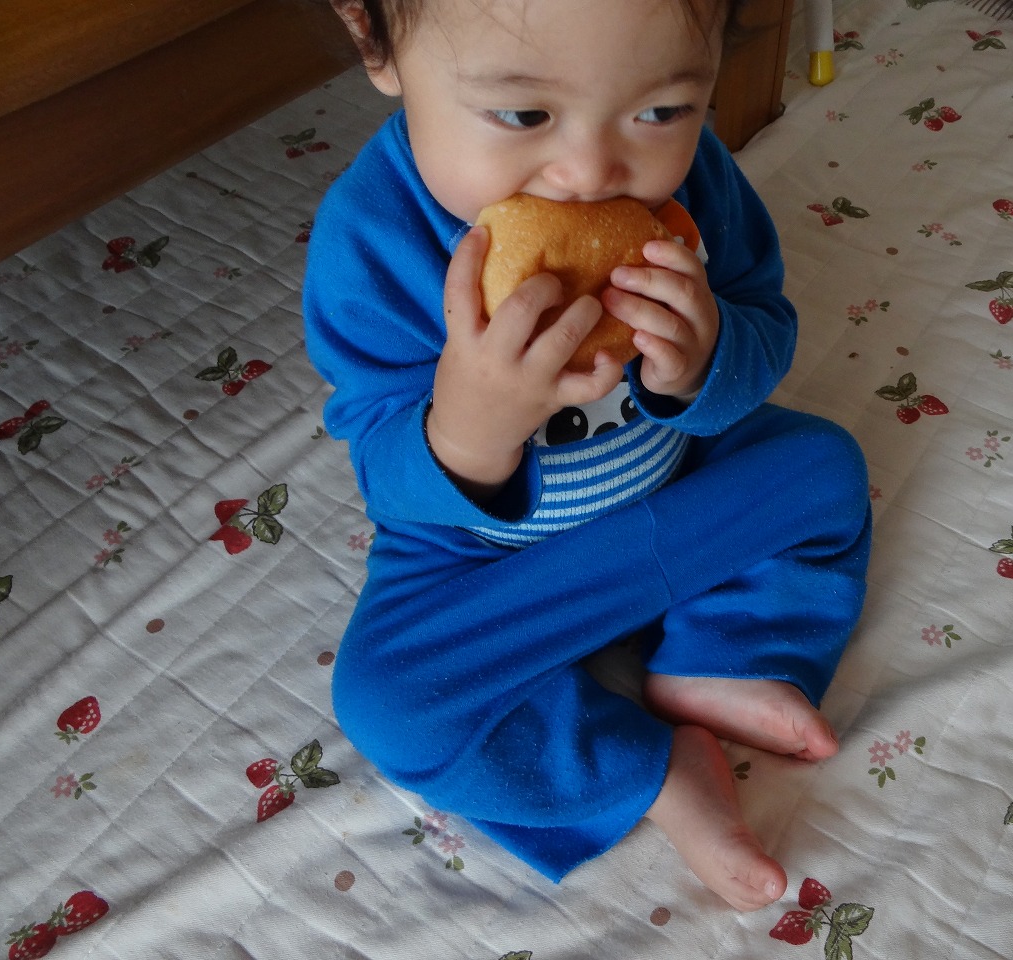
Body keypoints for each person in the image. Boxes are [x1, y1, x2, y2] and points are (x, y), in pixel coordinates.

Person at [302, 0, 872, 912]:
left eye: (661, 111)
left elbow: (763, 318)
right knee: (391, 702)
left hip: (677, 477)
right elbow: (383, 463)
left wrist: (707, 357)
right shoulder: (373, 239)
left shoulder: (697, 182)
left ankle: (721, 659)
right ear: (377, 43)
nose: (591, 172)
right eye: (525, 114)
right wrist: (469, 429)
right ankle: (651, 773)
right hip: (481, 558)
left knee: (822, 467)